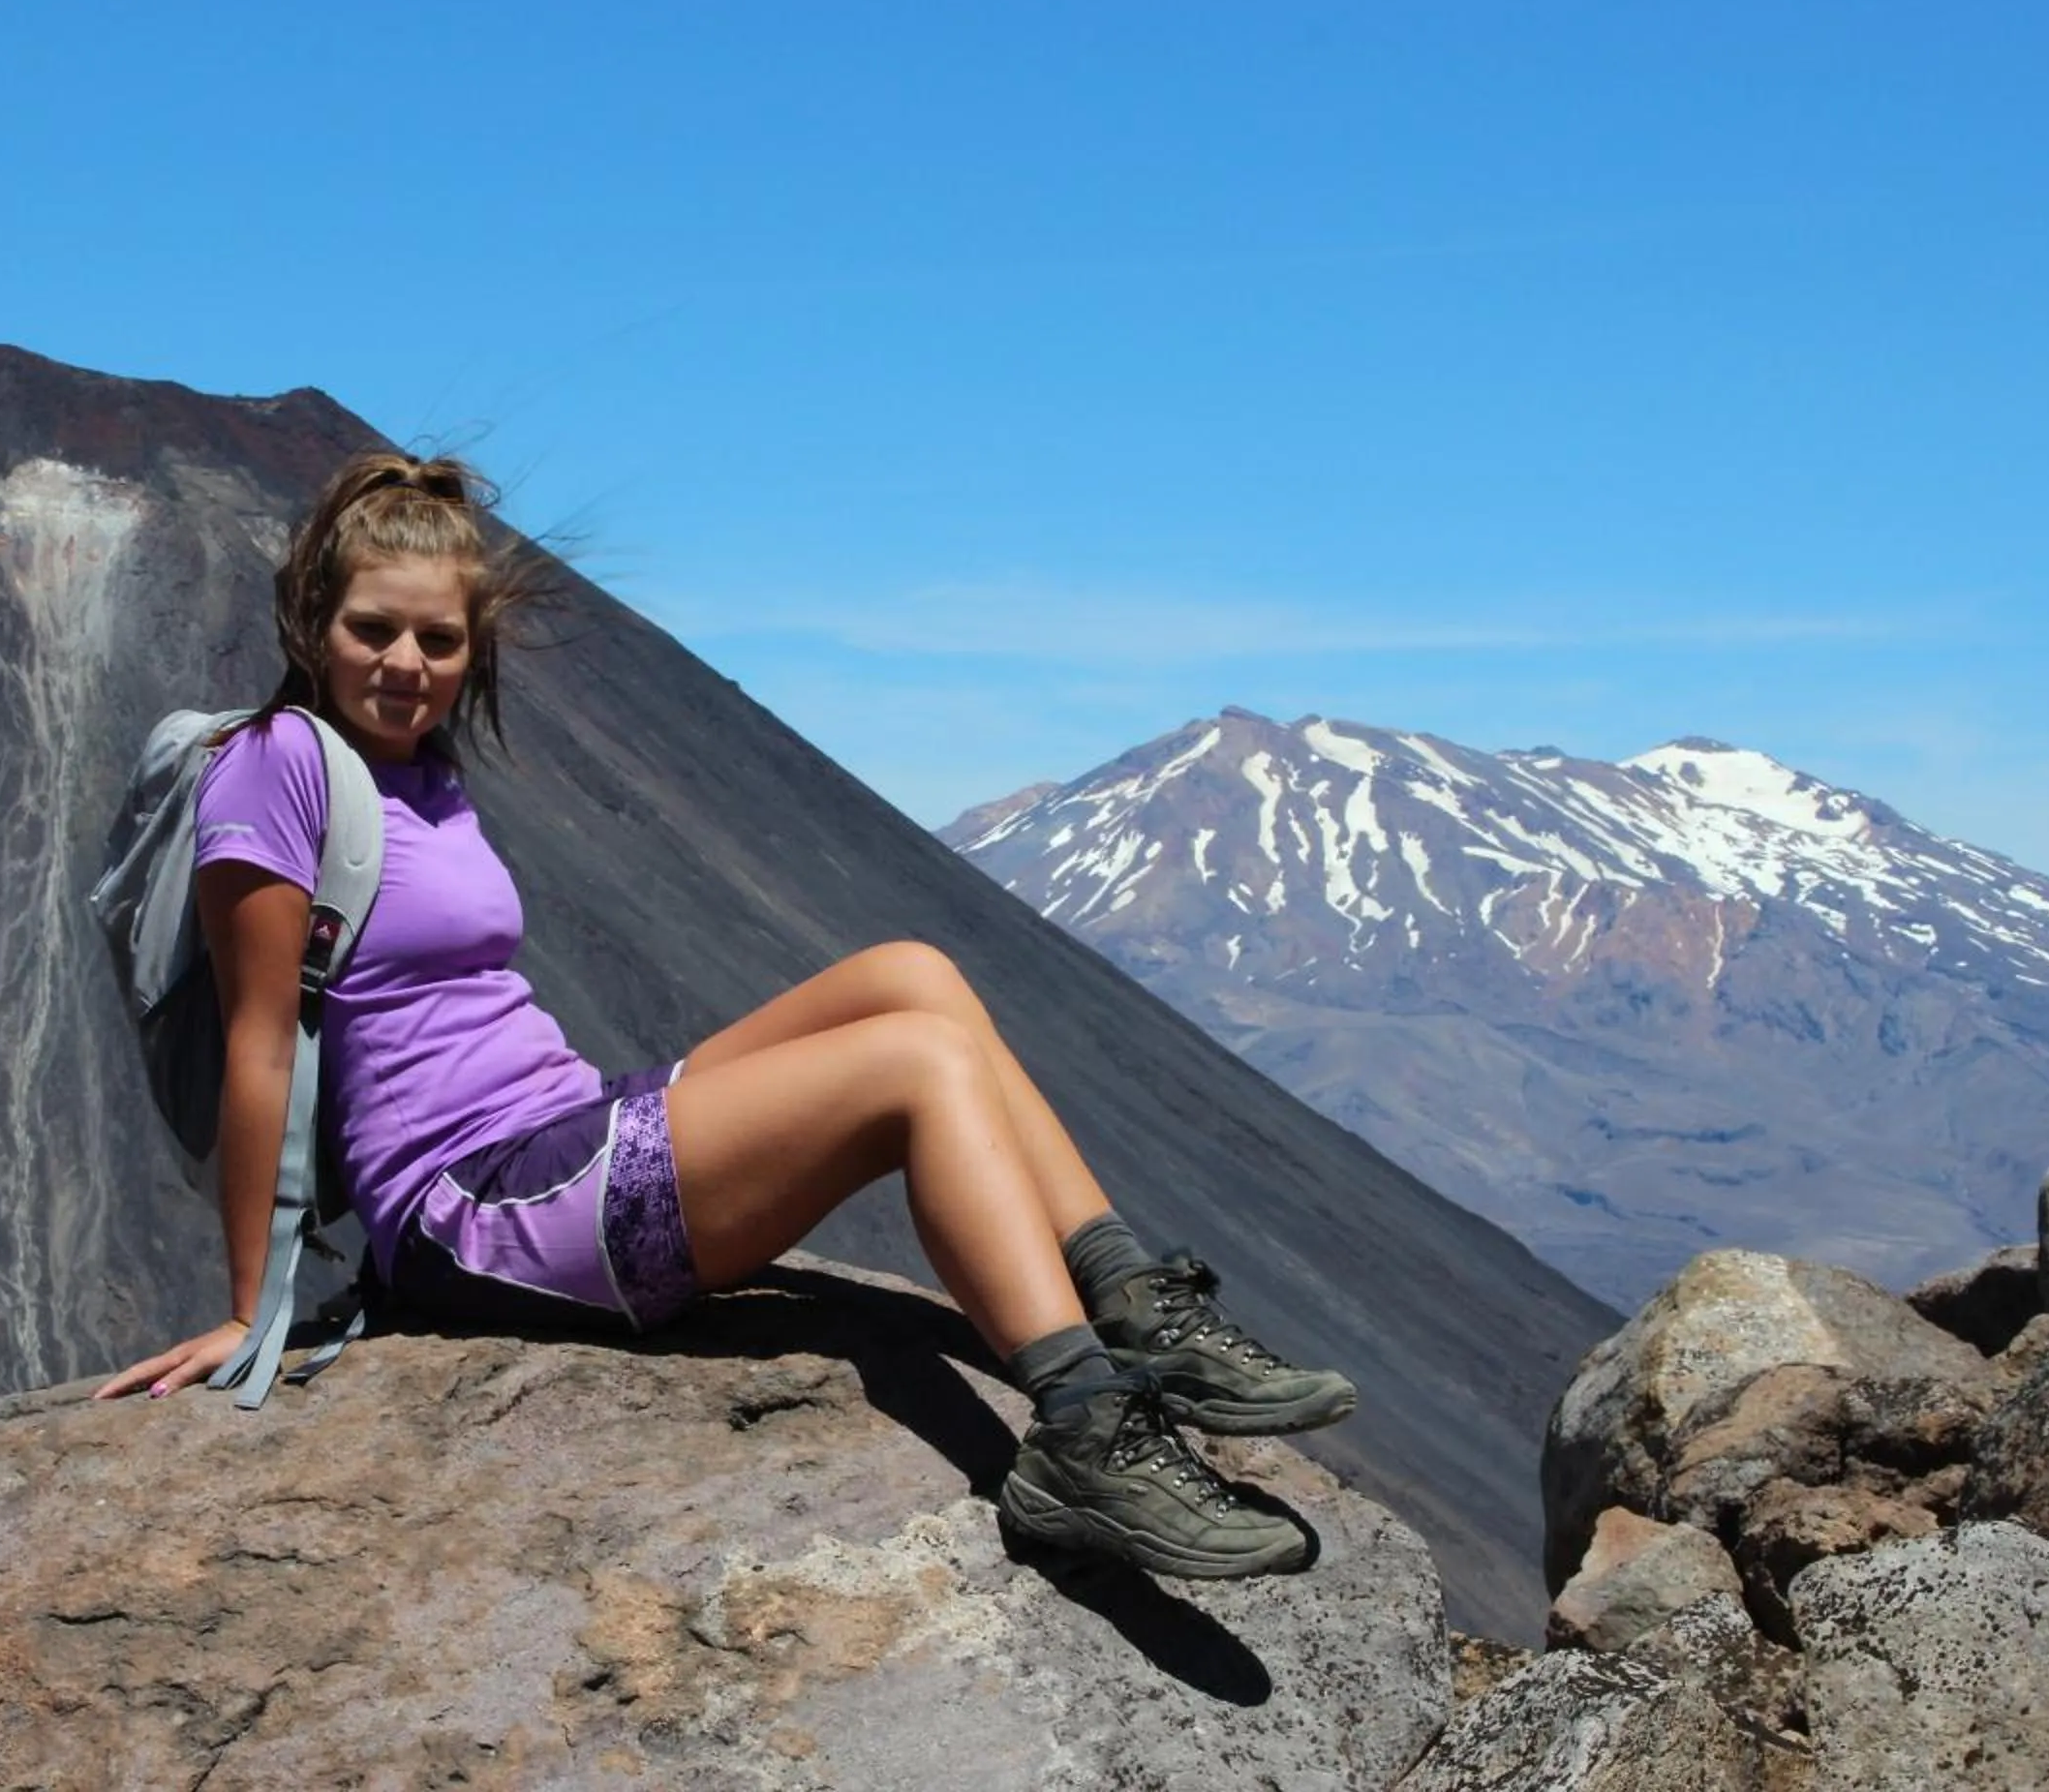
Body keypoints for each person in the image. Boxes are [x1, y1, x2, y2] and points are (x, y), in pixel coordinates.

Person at [96, 451, 1358, 1579]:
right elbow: (264, 1043)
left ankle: (1129, 1299)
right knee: (914, 1067)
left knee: (910, 974)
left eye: (439, 642)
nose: (407, 666)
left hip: (565, 1130)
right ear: (314, 621)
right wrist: (250, 1308)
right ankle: (1081, 1427)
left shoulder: (420, 772)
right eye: (376, 631)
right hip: (474, 1211)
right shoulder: (274, 768)